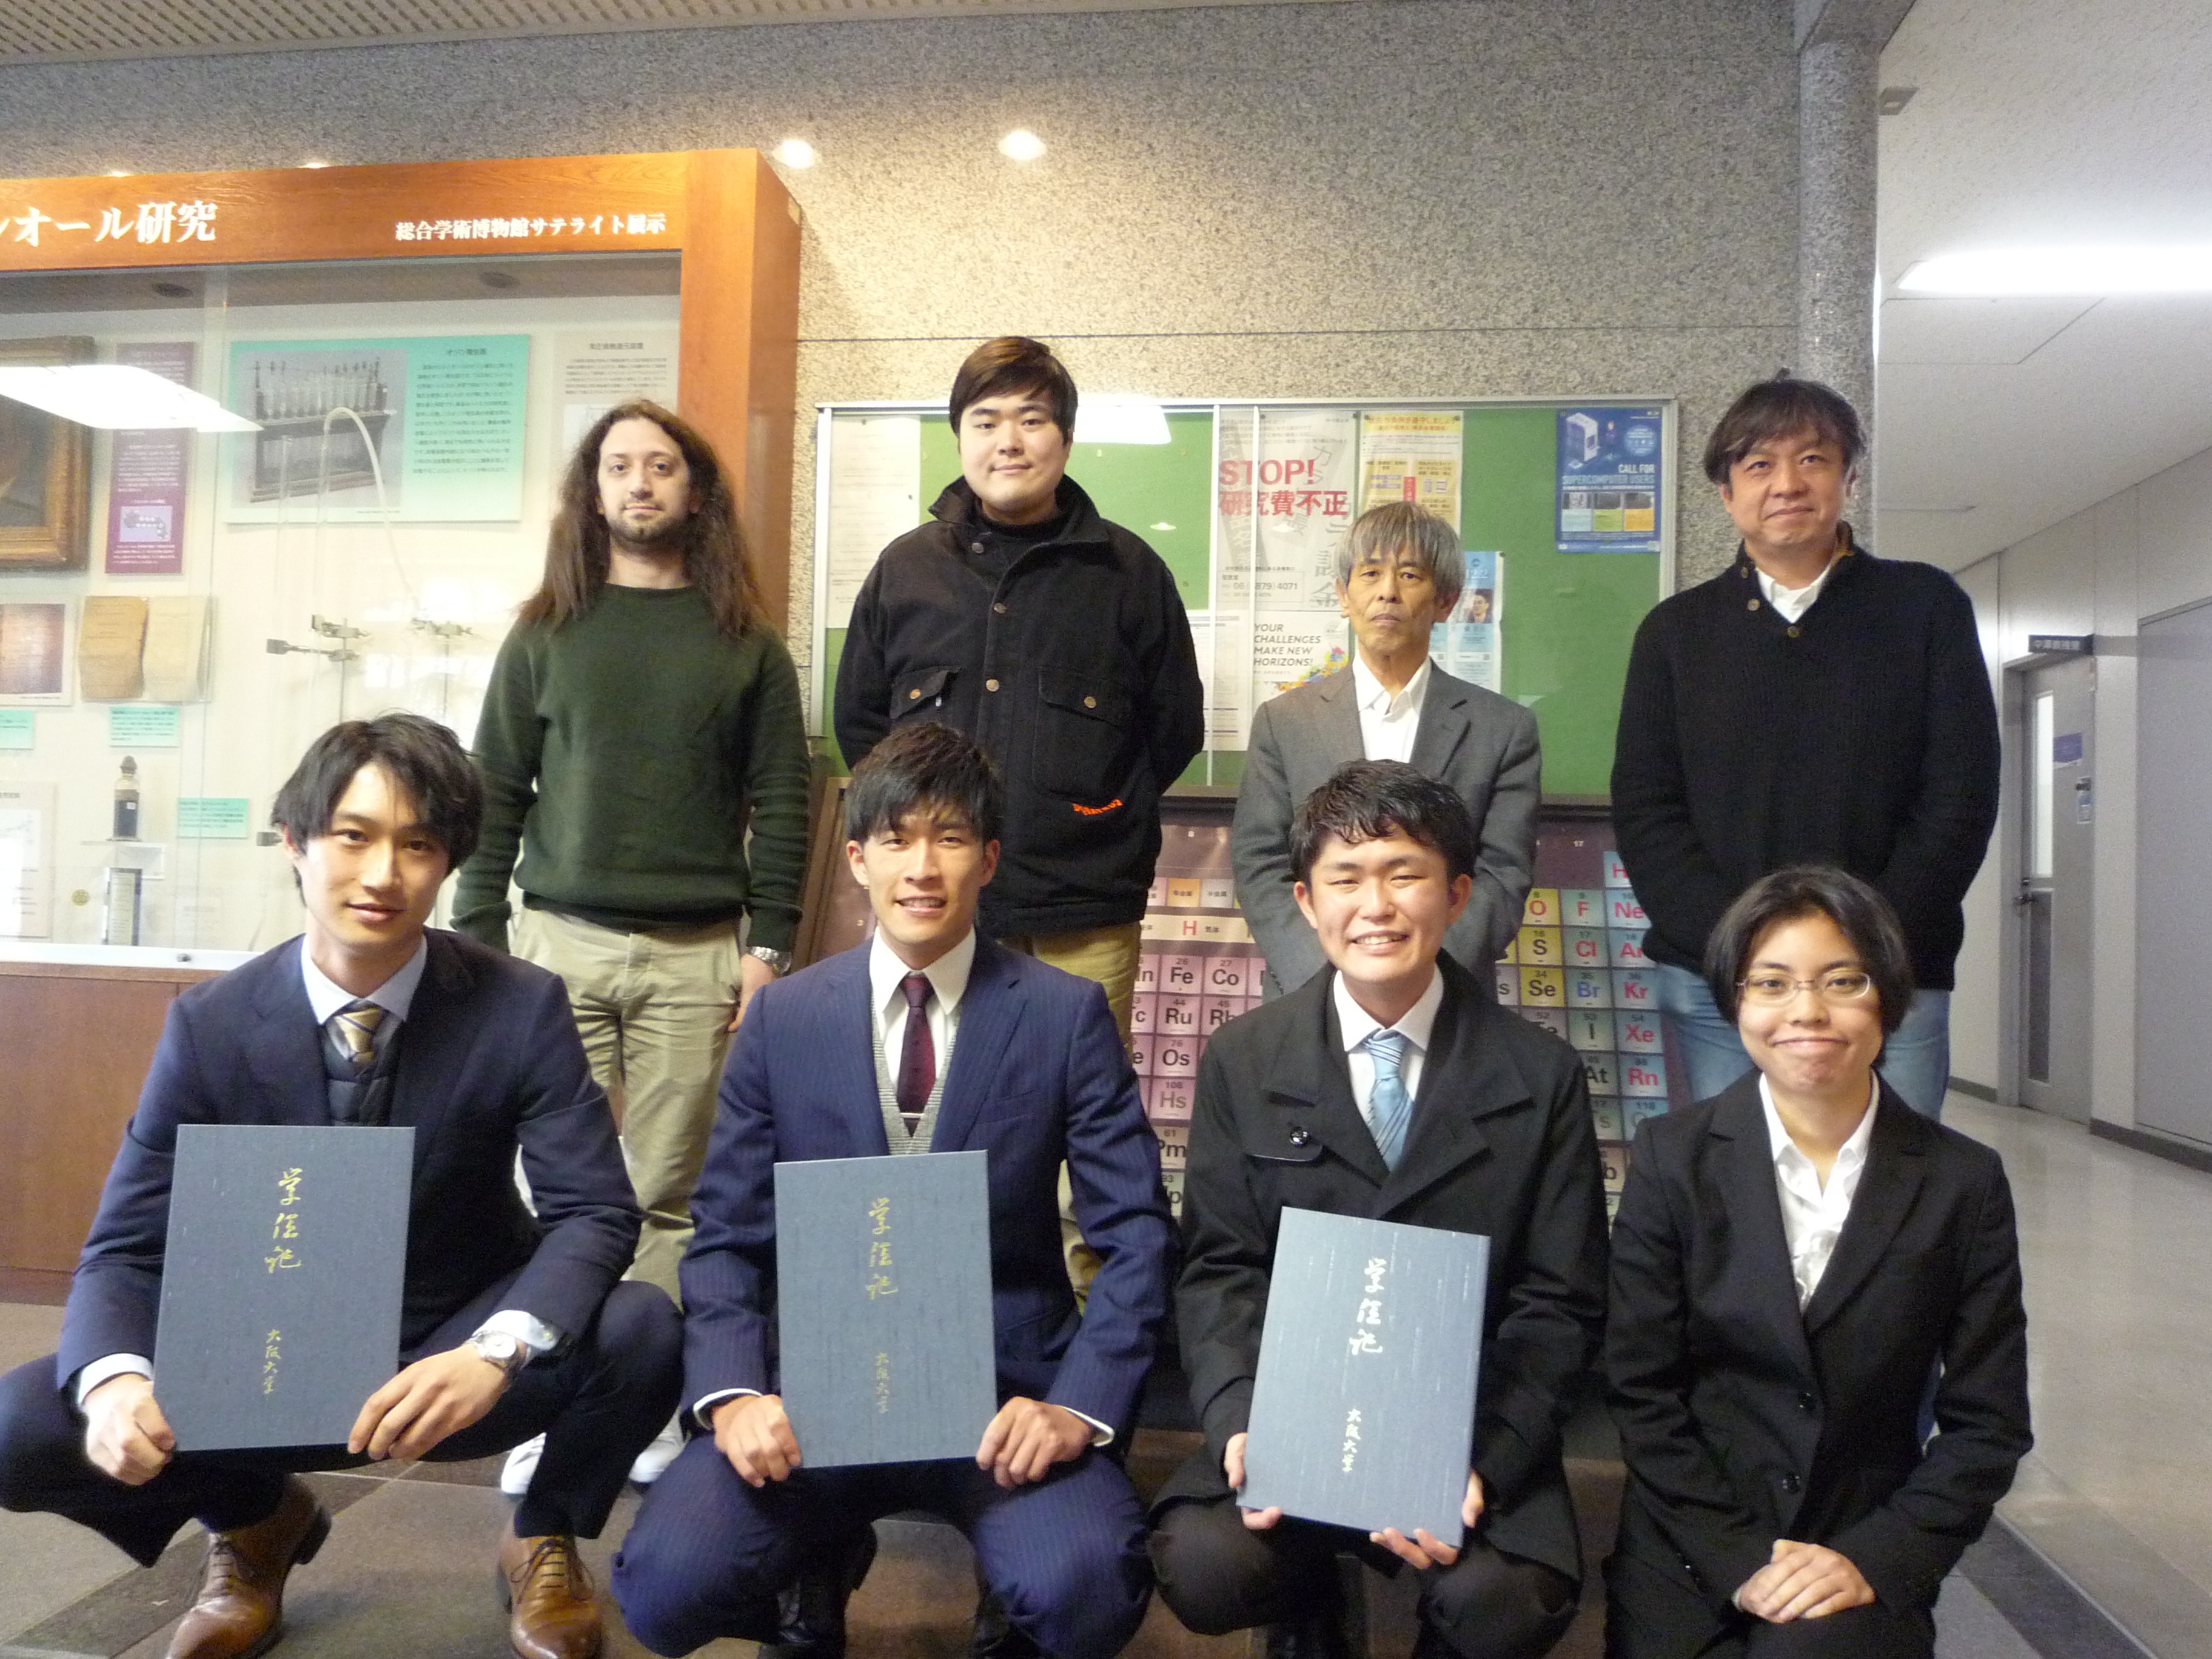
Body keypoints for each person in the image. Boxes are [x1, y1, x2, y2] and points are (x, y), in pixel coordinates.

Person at [0, 714, 682, 1659]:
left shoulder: (519, 1005)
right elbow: (126, 1246)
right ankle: (253, 1521)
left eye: (418, 845)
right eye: (353, 836)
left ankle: (541, 1535)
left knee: (645, 1329)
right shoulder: (211, 1024)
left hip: (449, 1342)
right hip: (263, 1347)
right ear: (295, 842)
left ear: (449, 864)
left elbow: (594, 1212)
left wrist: (495, 1351)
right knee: (25, 1428)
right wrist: (117, 1384)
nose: (382, 874)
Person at [611, 721, 1175, 1659]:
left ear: (988, 860)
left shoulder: (1061, 1015)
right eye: (897, 838)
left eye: (950, 838)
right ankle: (818, 1557)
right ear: (857, 859)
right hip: (812, 1398)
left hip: (1001, 1401)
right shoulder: (784, 1021)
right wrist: (735, 1396)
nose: (922, 867)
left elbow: (1137, 1235)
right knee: (666, 1590)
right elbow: (726, 1236)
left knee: (1083, 1593)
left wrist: (1077, 1405)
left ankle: (1009, 1588)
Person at [1152, 760, 1607, 1659]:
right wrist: (1242, 1420)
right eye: (1347, 879)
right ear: (1305, 900)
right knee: (1204, 1565)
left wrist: (1481, 1461)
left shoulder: (1541, 1073)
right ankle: (1308, 1600)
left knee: (1504, 1604)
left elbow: (1560, 1302)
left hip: (1468, 1419)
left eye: (1406, 875)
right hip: (1293, 1416)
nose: (1377, 907)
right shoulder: (1244, 1058)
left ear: (1458, 893)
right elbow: (1220, 1268)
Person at [453, 400, 810, 1484]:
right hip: (553, 947)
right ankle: (538, 1398)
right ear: (593, 490)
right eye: (619, 466)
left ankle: (637, 1408)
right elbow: (494, 794)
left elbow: (784, 800)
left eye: (661, 466)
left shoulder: (746, 644)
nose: (640, 483)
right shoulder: (544, 633)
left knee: (667, 1196)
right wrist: (479, 940)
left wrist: (770, 946)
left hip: (696, 955)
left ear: (695, 493)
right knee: (550, 1192)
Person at [1603, 865, 2032, 1658]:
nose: (1807, 1011)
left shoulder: (1961, 1182)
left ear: (1889, 998)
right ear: (1735, 1002)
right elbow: (1641, 1387)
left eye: (1843, 981)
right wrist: (1738, 1558)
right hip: (1692, 1543)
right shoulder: (1673, 1158)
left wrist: (1878, 1556)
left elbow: (1989, 1423)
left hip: (1859, 1543)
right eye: (1772, 983)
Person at [1611, 375, 1999, 1118]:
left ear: (1849, 479)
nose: (1787, 483)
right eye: (1759, 464)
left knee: (1895, 1182)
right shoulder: (1675, 633)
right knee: (1738, 1179)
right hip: (1721, 981)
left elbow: (1960, 797)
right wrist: (1747, 950)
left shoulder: (1926, 607)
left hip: (1891, 976)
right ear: (1727, 493)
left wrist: (1861, 946)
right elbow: (1649, 809)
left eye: (1813, 459)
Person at [832, 335, 1204, 1039]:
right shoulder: (904, 572)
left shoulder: (1129, 574)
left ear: (1066, 439)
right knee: (940, 1090)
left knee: (1079, 1091)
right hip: (936, 908)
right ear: (961, 438)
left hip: (1085, 907)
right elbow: (862, 727)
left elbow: (1174, 727)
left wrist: (1100, 813)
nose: (1008, 441)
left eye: (1031, 420)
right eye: (986, 421)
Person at [1233, 502, 1539, 997]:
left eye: (1410, 575)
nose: (1387, 592)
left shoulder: (1503, 729)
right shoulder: (1284, 721)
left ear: (1445, 602)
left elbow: (1503, 873)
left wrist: (1423, 978)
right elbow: (1260, 864)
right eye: (1370, 573)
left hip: (1448, 995)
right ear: (1343, 595)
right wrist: (1333, 981)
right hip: (1311, 993)